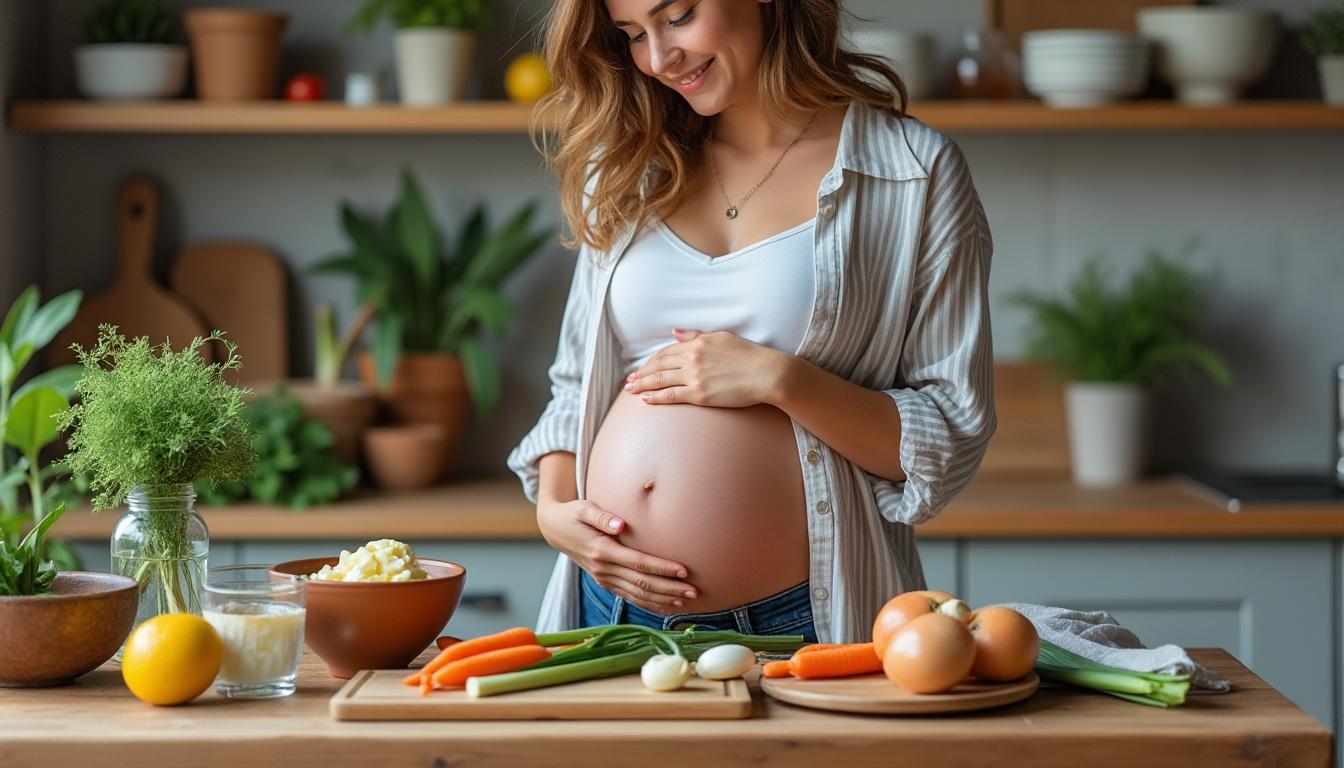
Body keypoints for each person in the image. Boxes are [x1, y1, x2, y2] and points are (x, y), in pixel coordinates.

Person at [507, 0, 995, 643]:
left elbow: (950, 433)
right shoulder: (625, 162)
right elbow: (576, 384)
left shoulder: (910, 173)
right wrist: (553, 512)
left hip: (801, 627)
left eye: (678, 16)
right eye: (632, 35)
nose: (659, 58)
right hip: (607, 609)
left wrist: (781, 380)